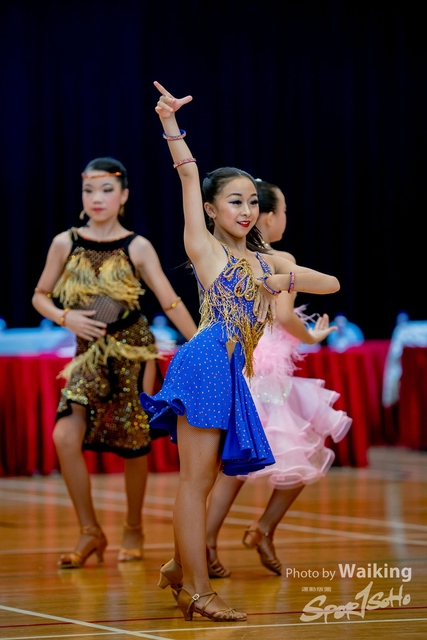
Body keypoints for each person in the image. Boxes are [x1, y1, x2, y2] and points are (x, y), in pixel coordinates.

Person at [139, 82, 340, 623]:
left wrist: (282, 278)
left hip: (231, 370)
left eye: (253, 201)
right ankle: (197, 590)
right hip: (206, 361)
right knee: (196, 484)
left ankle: (180, 570)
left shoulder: (264, 262)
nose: (247, 210)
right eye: (235, 201)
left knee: (204, 483)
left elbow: (331, 284)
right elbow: (187, 174)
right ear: (210, 209)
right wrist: (170, 123)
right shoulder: (203, 248)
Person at [32, 156, 197, 569]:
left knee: (133, 443)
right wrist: (65, 317)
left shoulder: (137, 246)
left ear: (123, 196)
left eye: (106, 190)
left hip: (133, 351)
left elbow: (169, 300)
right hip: (89, 353)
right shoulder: (65, 242)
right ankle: (90, 530)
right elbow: (40, 295)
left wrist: (198, 341)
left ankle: (133, 527)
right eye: (89, 190)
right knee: (64, 437)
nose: (97, 198)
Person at [204, 180, 352, 579]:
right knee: (294, 449)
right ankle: (250, 531)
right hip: (262, 369)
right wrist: (313, 337)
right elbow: (285, 316)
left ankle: (221, 539)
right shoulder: (276, 259)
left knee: (242, 459)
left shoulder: (218, 254)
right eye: (283, 210)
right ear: (268, 217)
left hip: (232, 358)